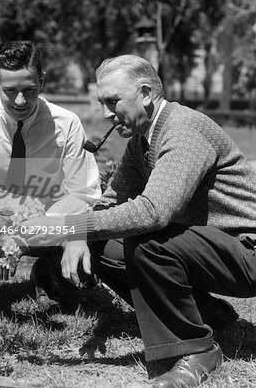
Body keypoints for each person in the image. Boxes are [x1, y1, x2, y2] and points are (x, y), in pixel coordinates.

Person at [21, 55, 256, 388]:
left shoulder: (183, 129)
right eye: (103, 103)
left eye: (112, 101)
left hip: (247, 252)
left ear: (145, 93)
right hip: (213, 249)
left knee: (147, 239)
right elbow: (109, 203)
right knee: (101, 240)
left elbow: (154, 211)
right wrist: (77, 236)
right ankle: (206, 312)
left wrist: (71, 226)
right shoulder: (141, 141)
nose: (105, 112)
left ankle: (198, 350)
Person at [0, 40, 100, 333]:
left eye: (30, 90)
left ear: (43, 81)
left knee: (89, 228)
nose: (21, 101)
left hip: (44, 218)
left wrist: (28, 233)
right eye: (10, 91)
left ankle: (48, 275)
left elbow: (82, 194)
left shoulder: (68, 124)